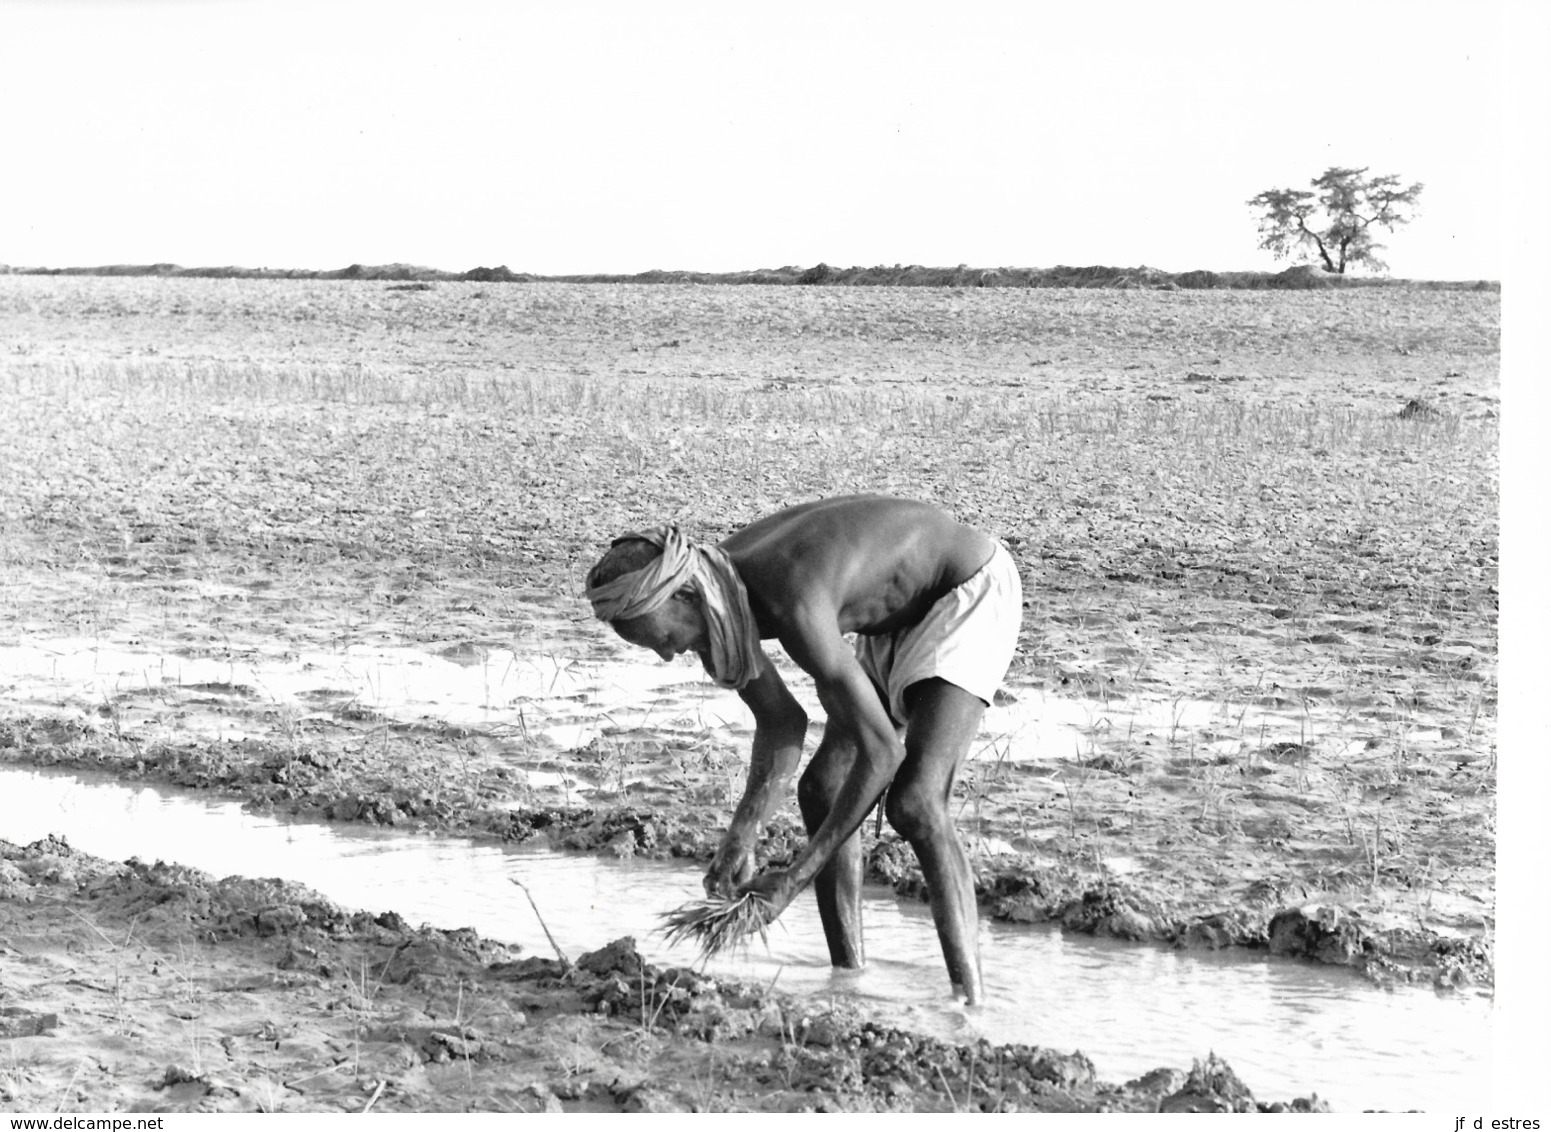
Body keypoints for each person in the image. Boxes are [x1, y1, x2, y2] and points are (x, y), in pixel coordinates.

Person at [583, 494, 1021, 1004]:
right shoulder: (720, 594)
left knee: (916, 803)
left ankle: (970, 1004)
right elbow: (781, 722)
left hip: (963, 593)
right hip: (892, 617)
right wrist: (741, 838)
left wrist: (792, 881)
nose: (665, 655)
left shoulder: (792, 598)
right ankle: (848, 982)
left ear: (684, 596)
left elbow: (883, 754)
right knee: (821, 789)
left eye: (662, 637)